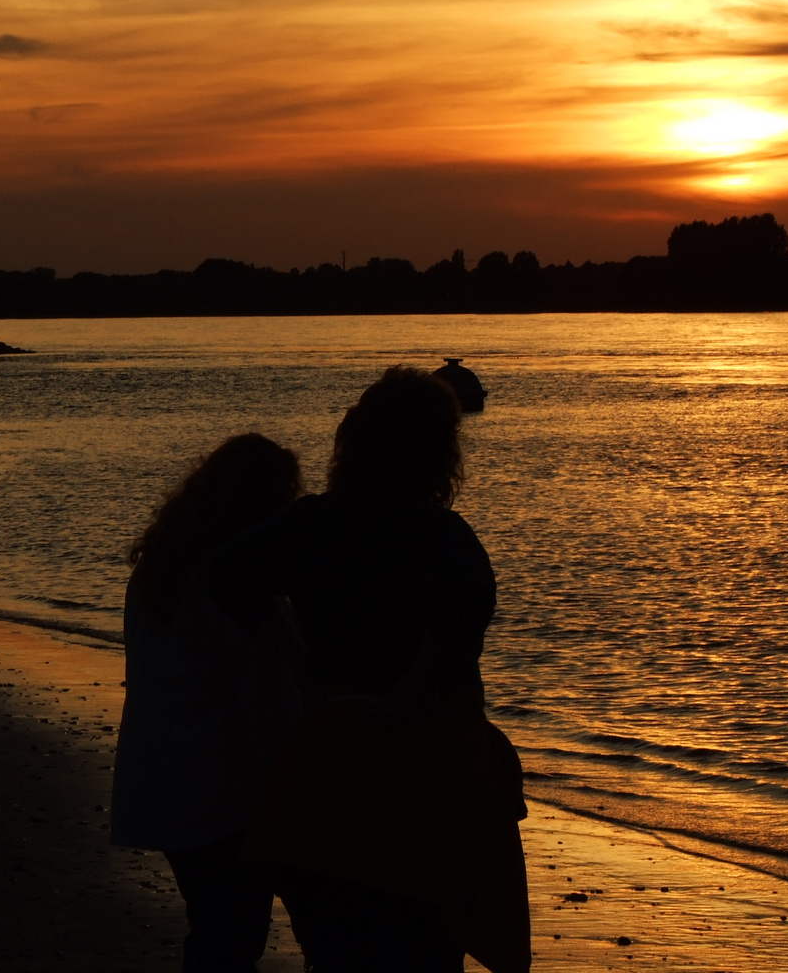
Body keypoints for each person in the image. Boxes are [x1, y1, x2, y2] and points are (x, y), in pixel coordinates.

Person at [210, 367, 530, 973]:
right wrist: (413, 685)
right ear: (440, 452)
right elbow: (460, 623)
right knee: (424, 949)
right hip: (422, 768)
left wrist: (293, 655)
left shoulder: (311, 524)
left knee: (337, 949)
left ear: (351, 441)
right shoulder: (440, 535)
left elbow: (226, 575)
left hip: (328, 761)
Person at [110, 433, 306, 973]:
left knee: (216, 926)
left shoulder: (156, 573)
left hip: (161, 776)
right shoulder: (237, 586)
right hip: (221, 789)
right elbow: (265, 700)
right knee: (231, 935)